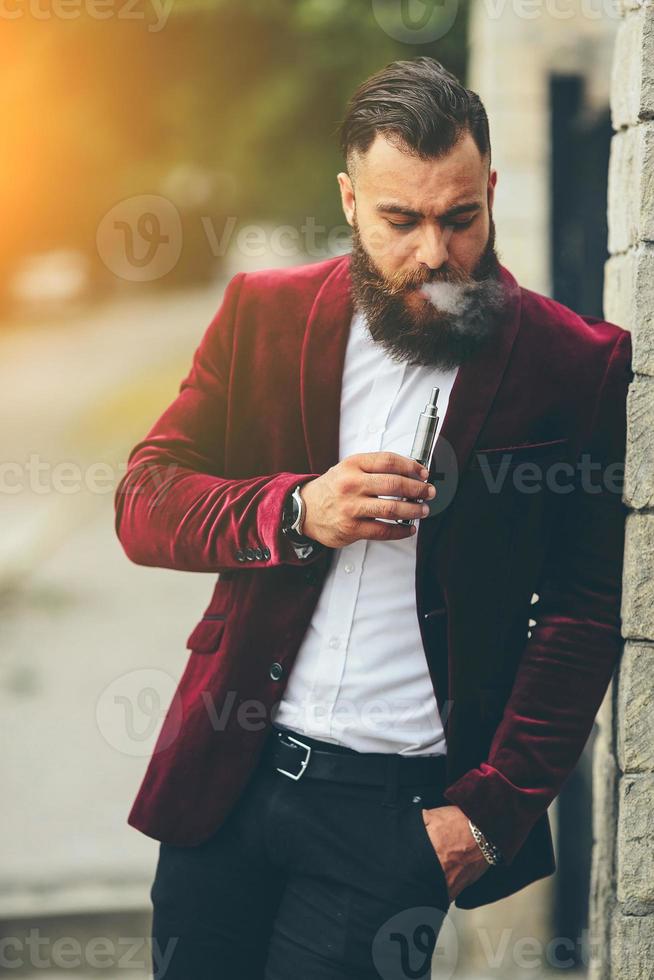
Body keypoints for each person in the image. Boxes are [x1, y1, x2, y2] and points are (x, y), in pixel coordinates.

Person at [114, 57, 632, 980]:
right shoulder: (261, 315)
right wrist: (295, 508)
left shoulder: (574, 365)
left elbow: (585, 610)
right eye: (401, 220)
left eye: (460, 217)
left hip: (395, 819)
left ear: (491, 192)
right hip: (229, 782)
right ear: (351, 201)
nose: (435, 255)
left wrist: (491, 811)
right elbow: (145, 498)